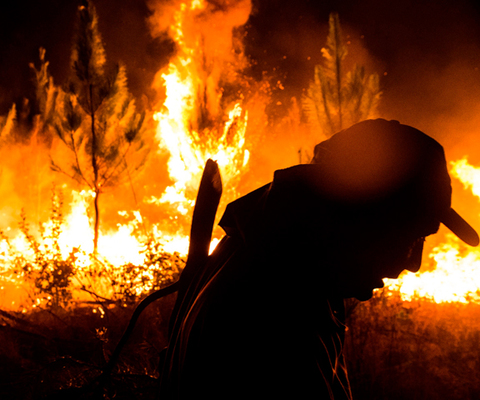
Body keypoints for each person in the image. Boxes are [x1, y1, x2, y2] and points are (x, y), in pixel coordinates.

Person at [158, 119, 479, 399]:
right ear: (363, 217)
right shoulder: (280, 318)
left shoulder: (270, 261)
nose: (413, 264)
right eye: (412, 238)